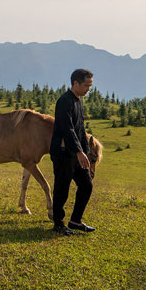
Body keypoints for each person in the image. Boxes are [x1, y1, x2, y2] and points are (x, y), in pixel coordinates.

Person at [49, 68, 95, 235]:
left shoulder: (78, 100)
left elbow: (80, 129)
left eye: (90, 86)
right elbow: (67, 129)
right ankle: (58, 224)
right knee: (62, 188)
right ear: (75, 83)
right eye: (86, 86)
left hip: (76, 154)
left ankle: (75, 221)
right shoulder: (64, 101)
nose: (88, 90)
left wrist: (86, 151)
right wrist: (79, 152)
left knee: (86, 185)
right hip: (63, 154)